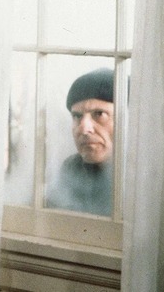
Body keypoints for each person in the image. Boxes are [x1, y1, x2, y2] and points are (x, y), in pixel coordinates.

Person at [46, 68, 115, 216]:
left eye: (99, 114)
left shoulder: (139, 174)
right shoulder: (72, 167)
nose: (84, 129)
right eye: (77, 116)